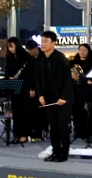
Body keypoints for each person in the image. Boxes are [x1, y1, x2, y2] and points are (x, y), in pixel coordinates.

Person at [35, 31, 74, 162]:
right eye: (42, 41)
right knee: (53, 127)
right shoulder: (40, 58)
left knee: (63, 127)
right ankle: (55, 151)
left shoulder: (61, 58)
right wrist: (40, 95)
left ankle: (64, 154)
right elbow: (38, 78)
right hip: (49, 98)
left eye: (46, 41)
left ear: (53, 43)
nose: (43, 44)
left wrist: (63, 97)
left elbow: (67, 80)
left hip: (62, 99)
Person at [5, 37, 36, 144]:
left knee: (25, 111)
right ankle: (17, 134)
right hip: (15, 87)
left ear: (17, 46)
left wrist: (32, 88)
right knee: (16, 111)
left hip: (25, 87)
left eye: (12, 46)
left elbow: (32, 74)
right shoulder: (10, 58)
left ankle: (25, 134)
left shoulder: (26, 57)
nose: (10, 49)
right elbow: (7, 71)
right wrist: (9, 77)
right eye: (9, 47)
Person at [25, 39, 48, 140]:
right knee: (33, 111)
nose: (29, 52)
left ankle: (41, 131)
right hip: (33, 88)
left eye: (30, 50)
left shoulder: (43, 57)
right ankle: (33, 132)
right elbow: (29, 75)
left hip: (42, 89)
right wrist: (31, 88)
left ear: (36, 48)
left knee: (41, 112)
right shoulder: (30, 59)